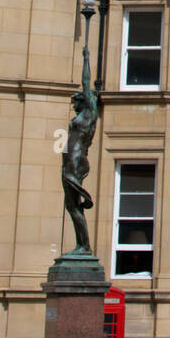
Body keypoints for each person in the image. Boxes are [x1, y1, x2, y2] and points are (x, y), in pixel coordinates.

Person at [61, 44, 99, 254]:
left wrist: (86, 58)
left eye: (76, 102)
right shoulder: (80, 117)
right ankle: (81, 245)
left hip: (76, 161)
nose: (74, 106)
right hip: (69, 161)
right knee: (71, 206)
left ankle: (84, 247)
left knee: (73, 205)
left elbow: (86, 82)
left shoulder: (89, 115)